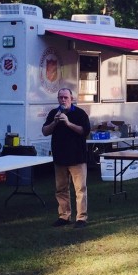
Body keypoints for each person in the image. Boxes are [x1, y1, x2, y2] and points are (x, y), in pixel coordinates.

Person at [42, 87, 91, 228]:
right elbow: (45, 131)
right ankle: (64, 216)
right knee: (61, 189)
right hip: (60, 157)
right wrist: (55, 122)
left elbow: (85, 131)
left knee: (80, 189)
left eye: (66, 97)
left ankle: (81, 218)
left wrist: (68, 123)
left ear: (72, 99)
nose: (63, 100)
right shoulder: (53, 113)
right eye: (60, 98)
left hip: (77, 158)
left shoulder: (80, 114)